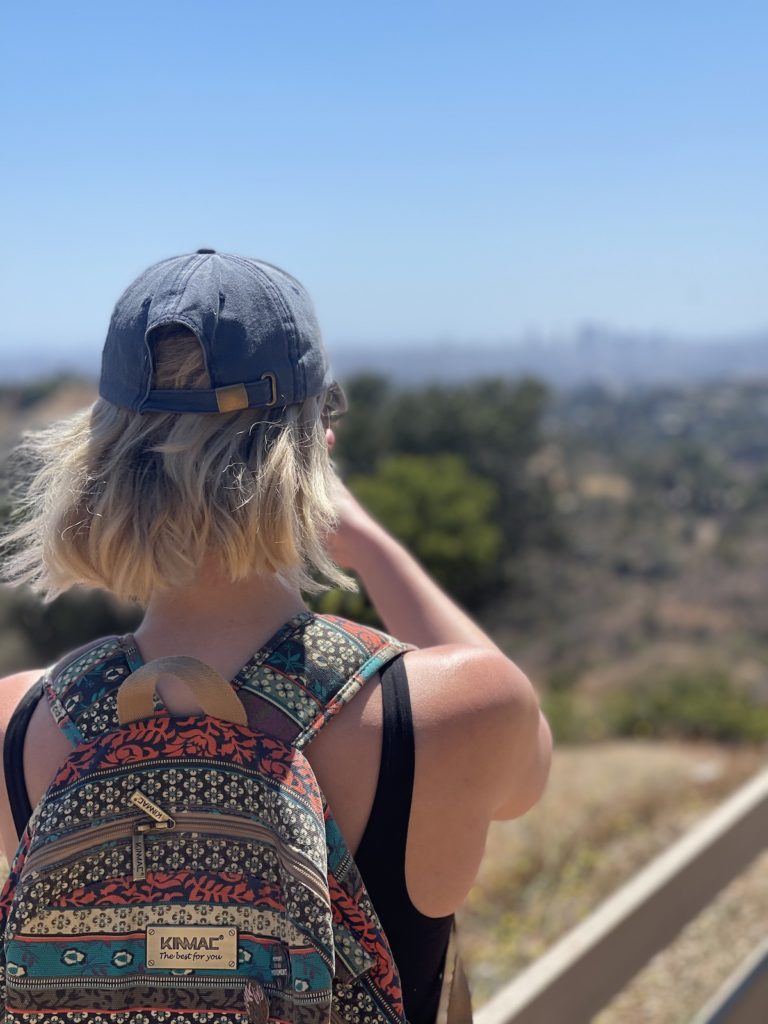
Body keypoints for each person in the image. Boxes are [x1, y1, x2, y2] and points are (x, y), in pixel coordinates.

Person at [0, 250, 551, 1024]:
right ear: (312, 446)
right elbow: (530, 771)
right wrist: (370, 544)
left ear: (101, 455)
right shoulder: (452, 710)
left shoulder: (21, 720)